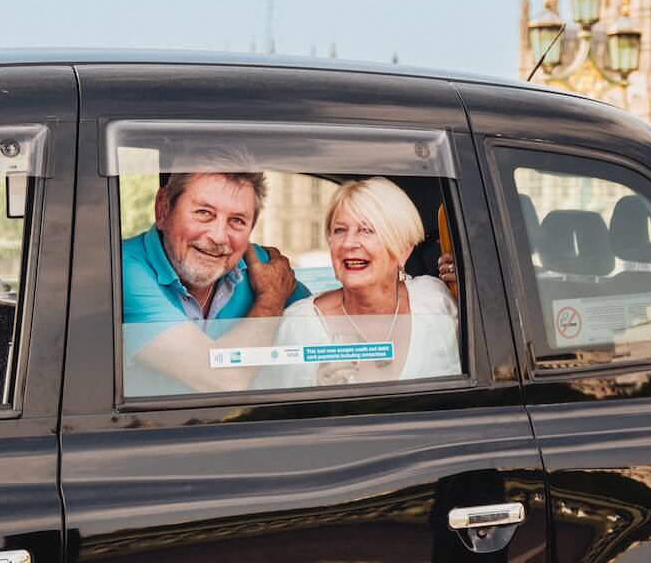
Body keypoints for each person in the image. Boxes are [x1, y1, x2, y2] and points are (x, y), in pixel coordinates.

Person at [254, 178, 461, 390]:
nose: (348, 243)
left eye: (366, 230)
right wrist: (315, 395)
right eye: (340, 230)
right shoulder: (300, 325)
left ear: (403, 250)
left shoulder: (436, 302)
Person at [121, 165, 311, 394]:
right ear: (163, 209)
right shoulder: (125, 268)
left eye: (237, 221)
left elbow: (319, 327)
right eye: (203, 213)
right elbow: (223, 380)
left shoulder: (261, 266)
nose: (219, 237)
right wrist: (270, 299)